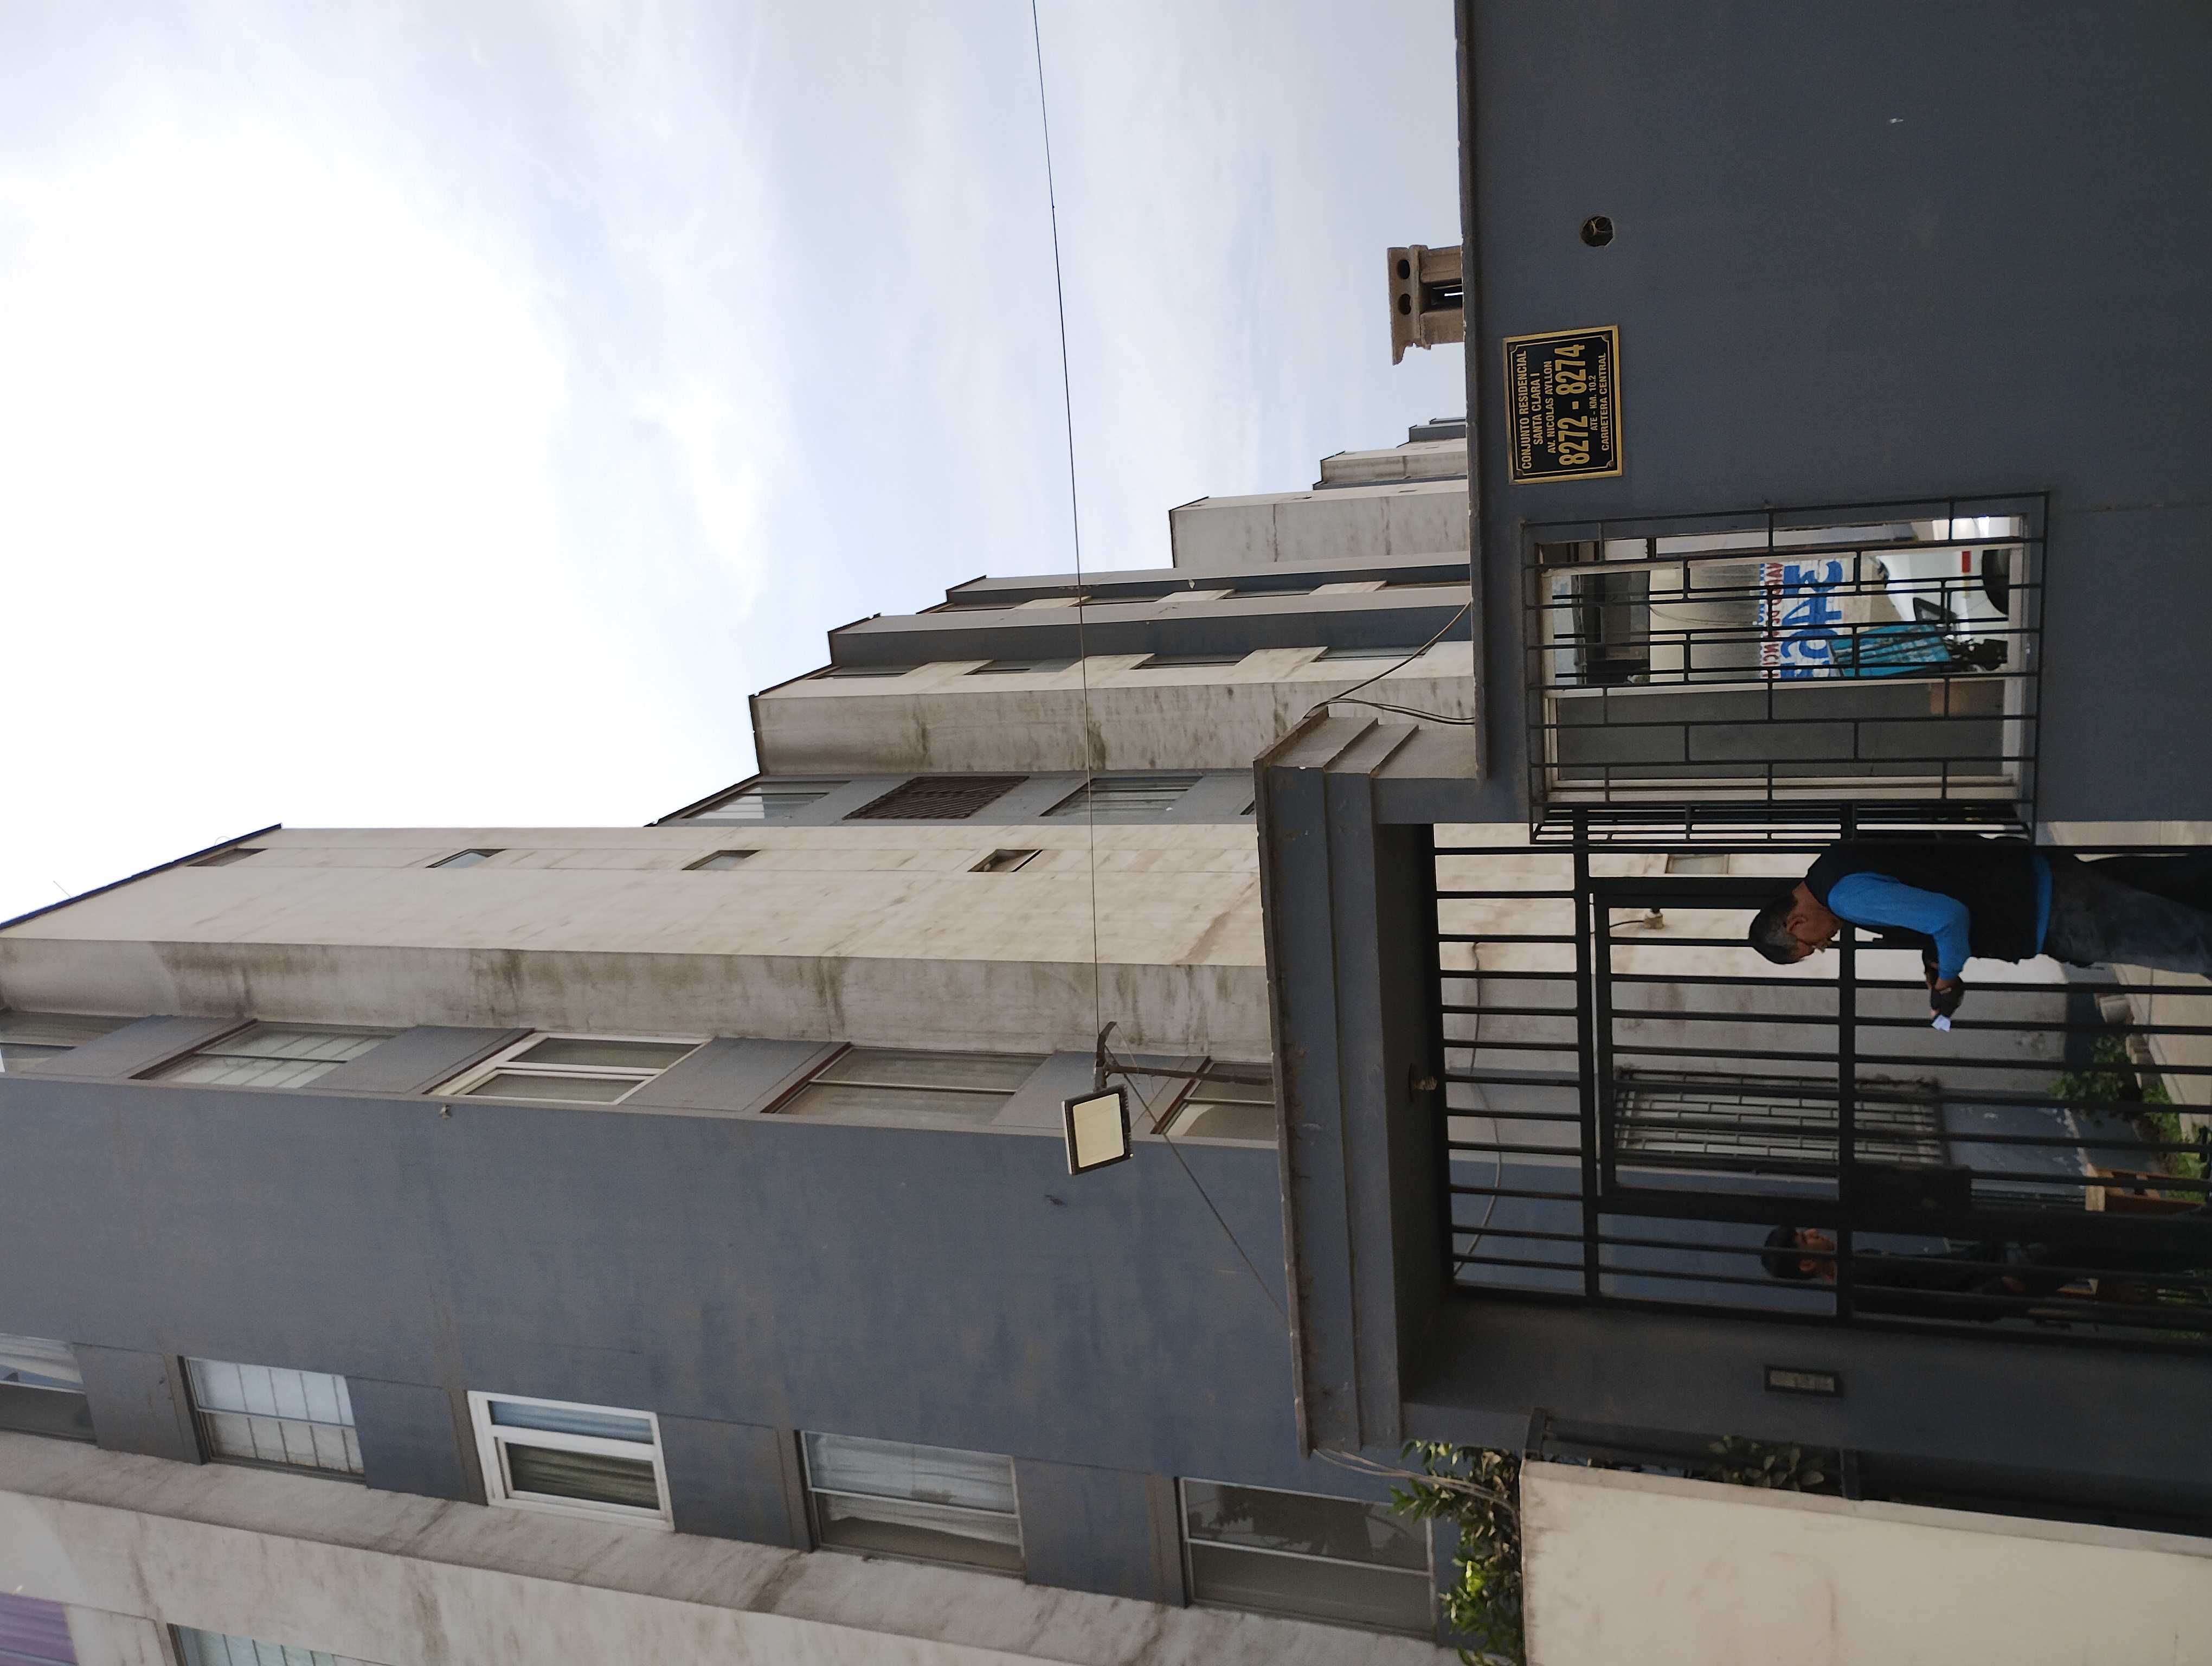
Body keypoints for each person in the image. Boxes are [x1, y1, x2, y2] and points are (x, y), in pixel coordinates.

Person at [1746, 838, 2212, 1017]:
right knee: (2187, 884)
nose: (1826, 943)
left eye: (1812, 946)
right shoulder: (1835, 863)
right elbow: (1934, 880)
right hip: (2042, 881)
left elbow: (1949, 917)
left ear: (1795, 922)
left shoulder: (1846, 898)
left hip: (2051, 914)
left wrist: (1947, 979)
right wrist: (1934, 957)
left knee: (2192, 943)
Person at [1760, 1225, 2210, 1323]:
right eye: (1805, 1238)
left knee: (2105, 1251)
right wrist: (2002, 1291)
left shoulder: (1855, 1268)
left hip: (1997, 1260)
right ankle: (2197, 1233)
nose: (1814, 1232)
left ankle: (2197, 1238)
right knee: (2098, 1244)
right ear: (1806, 1263)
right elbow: (1934, 1306)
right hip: (2003, 1274)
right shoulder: (1857, 1286)